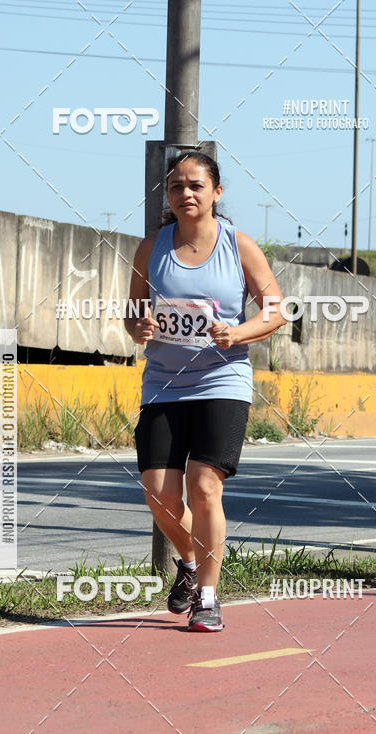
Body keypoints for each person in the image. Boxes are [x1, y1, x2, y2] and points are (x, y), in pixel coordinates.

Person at [125, 151, 286, 630]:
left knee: (203, 486)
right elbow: (132, 312)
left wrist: (236, 333)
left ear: (216, 192)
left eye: (195, 185)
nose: (185, 194)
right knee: (158, 495)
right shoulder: (150, 248)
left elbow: (276, 310)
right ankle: (191, 564)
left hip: (222, 380)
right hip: (164, 384)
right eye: (176, 186)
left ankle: (210, 598)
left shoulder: (239, 246)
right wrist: (138, 327)